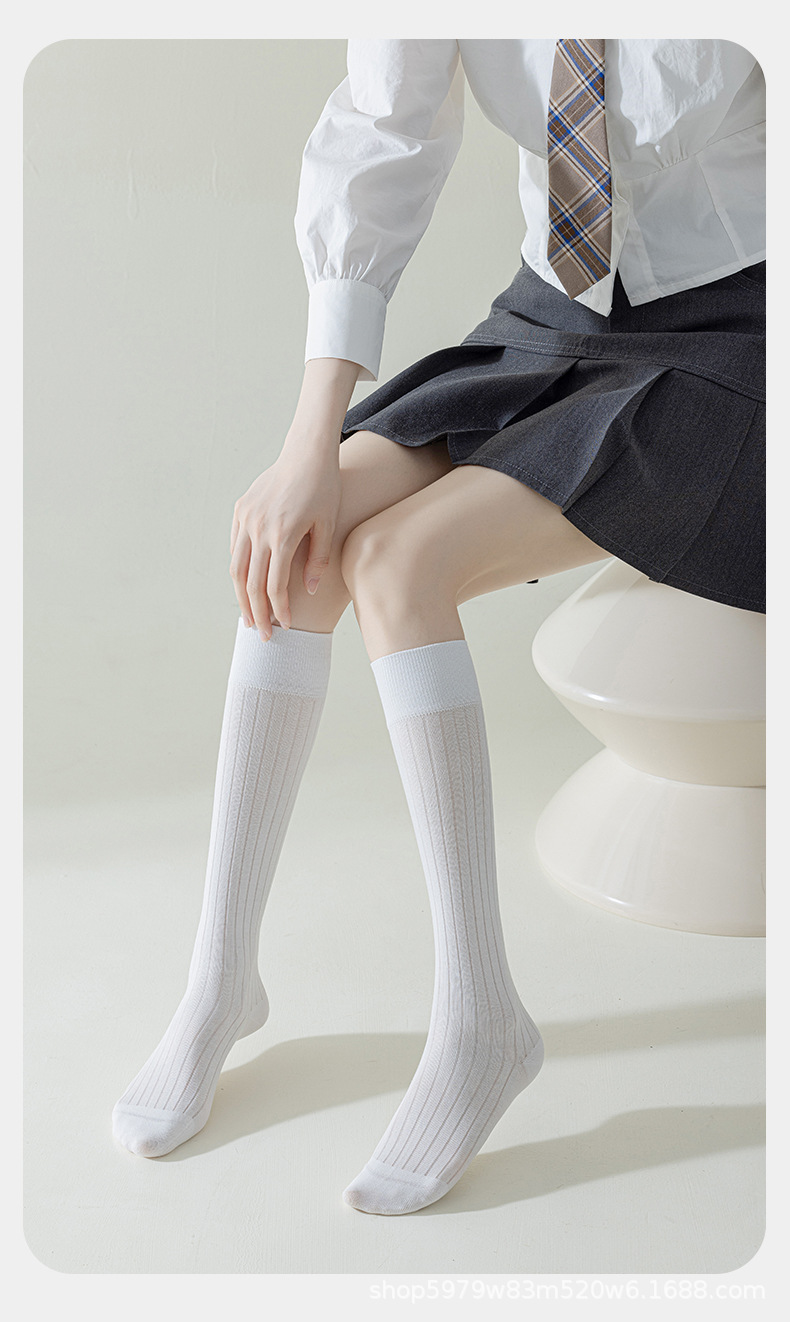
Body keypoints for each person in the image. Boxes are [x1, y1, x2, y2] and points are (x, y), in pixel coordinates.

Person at [111, 39, 766, 1215]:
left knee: (398, 563)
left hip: (742, 328)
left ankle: (479, 1017)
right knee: (302, 548)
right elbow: (380, 129)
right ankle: (219, 978)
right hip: (552, 308)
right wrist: (311, 438)